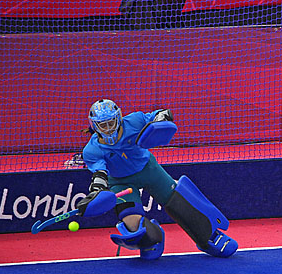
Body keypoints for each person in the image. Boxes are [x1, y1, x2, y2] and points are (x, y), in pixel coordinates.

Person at [76, 99, 238, 260]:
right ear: (94, 126)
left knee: (180, 204)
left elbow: (161, 114)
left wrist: (162, 118)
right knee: (131, 221)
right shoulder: (92, 150)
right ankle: (153, 239)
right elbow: (100, 175)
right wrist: (96, 193)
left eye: (111, 122)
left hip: (148, 169)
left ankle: (210, 237)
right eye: (103, 125)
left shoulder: (134, 121)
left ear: (118, 118)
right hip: (120, 182)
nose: (109, 128)